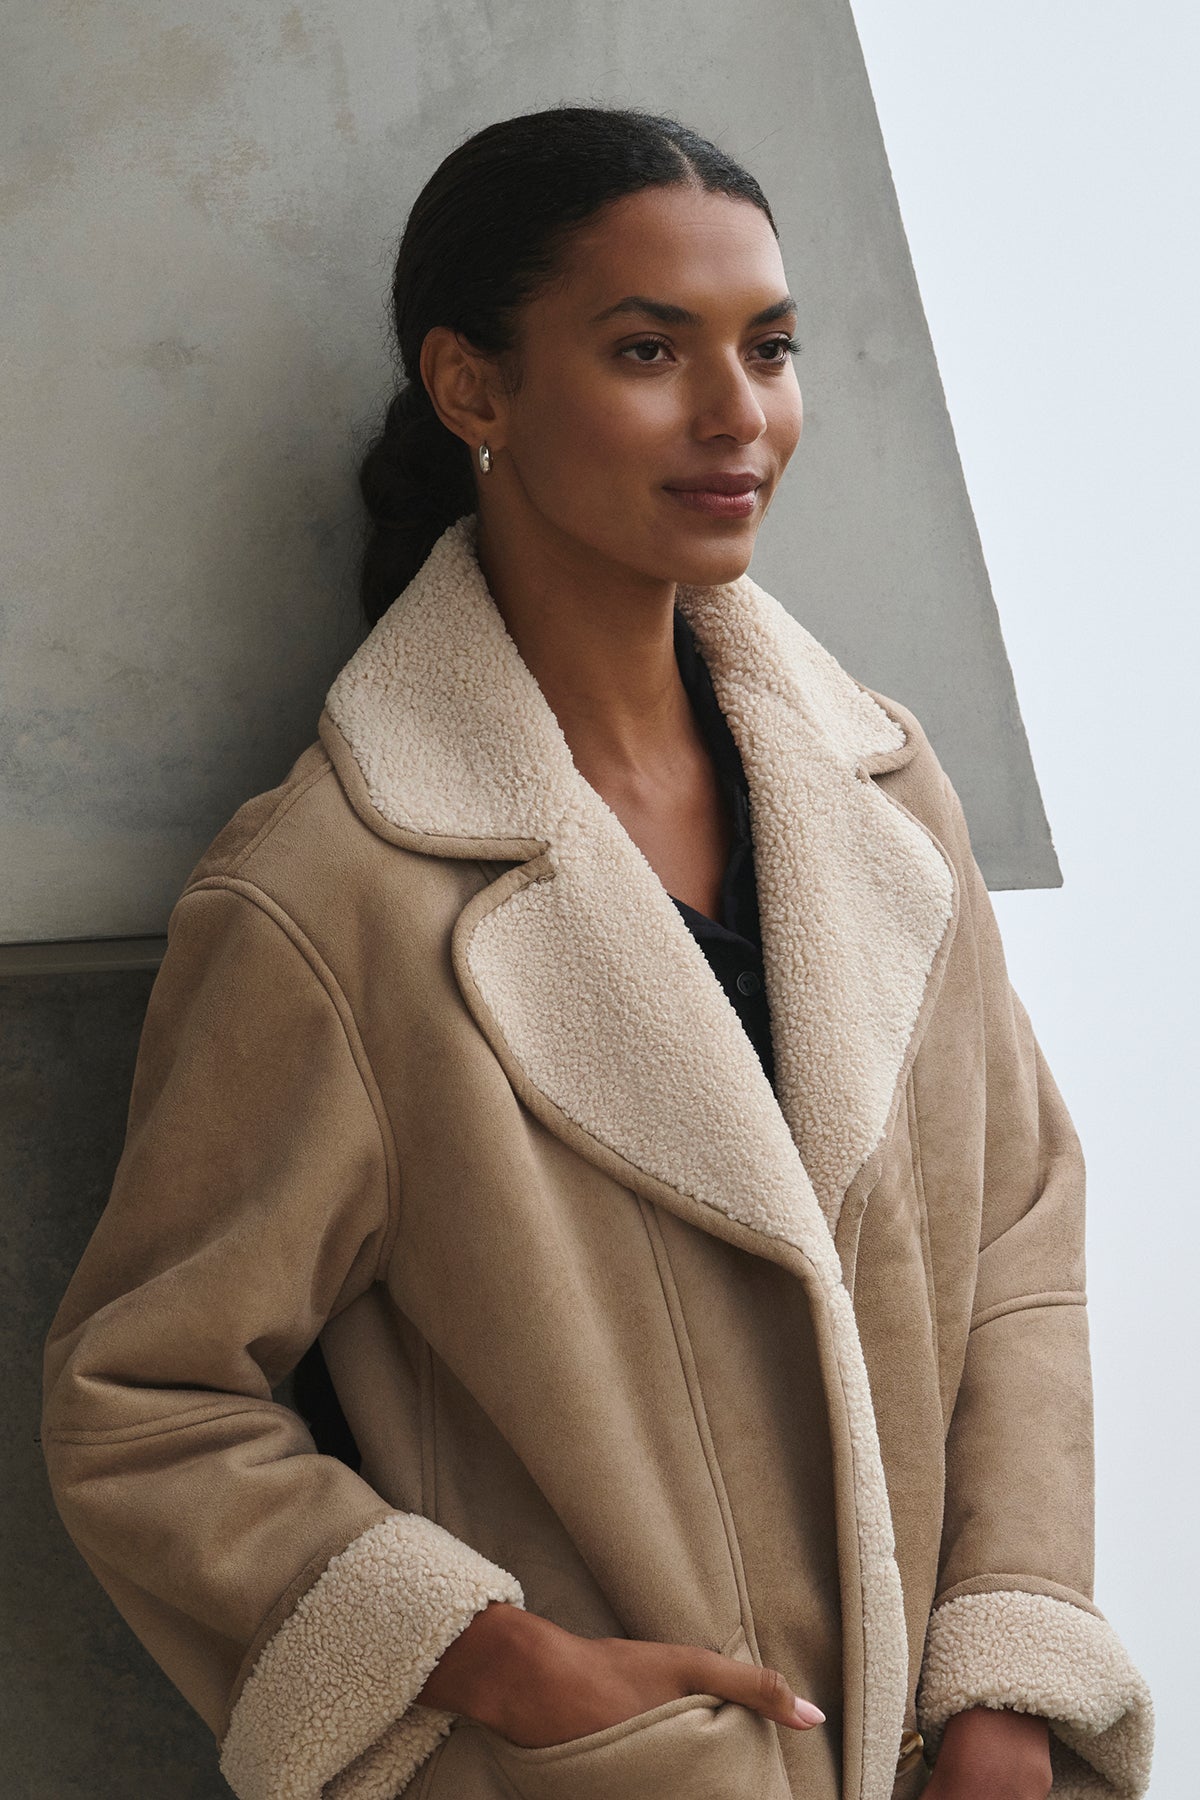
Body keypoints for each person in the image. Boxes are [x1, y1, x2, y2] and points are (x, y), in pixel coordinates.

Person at [40, 105, 1152, 1800]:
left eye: (769, 349)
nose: (739, 417)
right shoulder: (338, 889)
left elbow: (1017, 1234)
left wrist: (1007, 1664)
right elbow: (151, 1395)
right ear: (472, 387)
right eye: (650, 350)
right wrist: (487, 1658)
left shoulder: (883, 792)